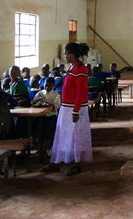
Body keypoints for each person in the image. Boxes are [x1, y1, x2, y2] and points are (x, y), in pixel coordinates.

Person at [42, 42, 92, 176]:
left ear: (72, 55)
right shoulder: (72, 68)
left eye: (66, 53)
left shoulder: (81, 69)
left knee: (75, 136)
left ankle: (77, 163)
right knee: (63, 136)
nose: (64, 55)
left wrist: (75, 111)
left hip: (75, 109)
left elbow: (81, 93)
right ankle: (57, 161)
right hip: (66, 108)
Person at [31, 76, 61, 160]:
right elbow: (33, 103)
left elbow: (57, 105)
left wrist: (50, 105)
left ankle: (45, 149)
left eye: (49, 86)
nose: (47, 87)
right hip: (41, 117)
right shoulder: (40, 93)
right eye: (46, 85)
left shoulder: (56, 94)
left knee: (48, 135)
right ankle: (40, 149)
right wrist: (36, 101)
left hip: (51, 117)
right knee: (40, 134)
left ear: (53, 86)